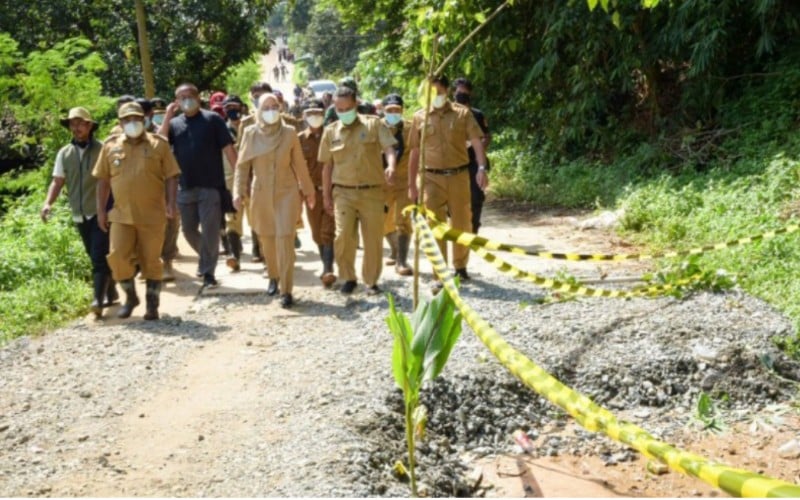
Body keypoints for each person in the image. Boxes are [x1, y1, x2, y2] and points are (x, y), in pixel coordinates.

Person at [93, 102, 181, 320]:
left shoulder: (158, 145)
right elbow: (103, 181)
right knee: (117, 257)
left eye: (136, 119)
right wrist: (101, 211)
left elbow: (171, 175)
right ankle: (130, 297)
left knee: (151, 260)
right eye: (127, 120)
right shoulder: (110, 146)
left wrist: (171, 203)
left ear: (144, 120)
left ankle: (152, 304)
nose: (132, 123)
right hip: (121, 215)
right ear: (120, 123)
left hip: (152, 215)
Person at [234, 94, 315, 308]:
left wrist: (308, 191)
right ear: (259, 111)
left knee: (285, 237)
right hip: (260, 193)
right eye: (266, 107)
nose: (271, 111)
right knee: (267, 238)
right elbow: (242, 166)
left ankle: (286, 290)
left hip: (286, 192)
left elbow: (299, 163)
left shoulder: (289, 133)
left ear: (280, 109)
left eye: (274, 106)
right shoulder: (251, 133)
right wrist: (238, 192)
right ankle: (273, 276)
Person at [408, 75, 488, 288]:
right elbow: (414, 152)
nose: (435, 96)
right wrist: (411, 185)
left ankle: (460, 267)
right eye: (430, 92)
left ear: (446, 91)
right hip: (430, 178)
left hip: (459, 176)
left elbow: (476, 142)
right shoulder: (419, 117)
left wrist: (481, 168)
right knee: (435, 224)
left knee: (463, 222)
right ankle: (439, 274)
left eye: (439, 92)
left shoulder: (462, 114)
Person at [319, 86, 397, 295]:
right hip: (343, 193)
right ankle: (348, 277)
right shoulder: (330, 131)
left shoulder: (374, 124)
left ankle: (370, 281)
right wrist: (326, 196)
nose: (343, 111)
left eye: (347, 107)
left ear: (355, 105)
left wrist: (391, 165)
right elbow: (326, 167)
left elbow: (389, 148)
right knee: (343, 236)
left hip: (371, 192)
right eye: (339, 108)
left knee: (373, 239)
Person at [158, 83, 237, 288]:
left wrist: (240, 177)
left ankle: (208, 272)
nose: (187, 100)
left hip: (211, 187)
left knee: (211, 231)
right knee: (188, 230)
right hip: (184, 187)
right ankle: (208, 257)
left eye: (190, 95)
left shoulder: (213, 119)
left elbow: (229, 149)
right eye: (181, 97)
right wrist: (168, 115)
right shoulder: (175, 124)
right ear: (176, 101)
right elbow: (159, 142)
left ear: (198, 97)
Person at [41, 107, 117, 318]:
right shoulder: (64, 153)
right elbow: (57, 181)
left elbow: (113, 179)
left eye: (80, 123)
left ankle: (98, 301)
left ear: (90, 125)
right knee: (93, 254)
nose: (76, 128)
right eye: (72, 124)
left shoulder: (103, 149)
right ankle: (111, 291)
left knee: (97, 256)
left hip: (102, 211)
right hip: (79, 213)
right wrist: (48, 203)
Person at [298, 99, 336, 287]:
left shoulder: (332, 135)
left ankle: (328, 269)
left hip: (332, 190)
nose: (314, 116)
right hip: (311, 193)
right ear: (304, 116)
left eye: (318, 113)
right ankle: (326, 265)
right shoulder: (299, 139)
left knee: (328, 230)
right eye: (310, 113)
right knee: (316, 233)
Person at [238, 82, 274, 264]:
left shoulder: (284, 122)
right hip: (255, 179)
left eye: (262, 95)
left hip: (280, 179)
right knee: (256, 216)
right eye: (255, 96)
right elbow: (242, 157)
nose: (257, 99)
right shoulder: (246, 124)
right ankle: (258, 248)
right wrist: (242, 183)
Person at [453, 77, 492, 233]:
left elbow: (487, 136)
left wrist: (478, 148)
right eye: (459, 92)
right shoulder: (447, 114)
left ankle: (473, 229)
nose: (461, 95)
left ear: (470, 94)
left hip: (473, 161)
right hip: (453, 162)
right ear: (453, 93)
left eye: (465, 93)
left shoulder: (477, 114)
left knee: (475, 197)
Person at [381, 94, 413, 276]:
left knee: (403, 220)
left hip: (404, 183)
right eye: (389, 110)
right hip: (381, 183)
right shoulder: (376, 128)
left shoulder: (411, 128)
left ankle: (402, 261)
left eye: (397, 110)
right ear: (383, 111)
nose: (393, 113)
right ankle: (394, 250)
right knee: (382, 221)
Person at [221, 94, 247, 272]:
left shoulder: (252, 127)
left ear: (242, 108)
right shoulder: (221, 130)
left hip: (253, 178)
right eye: (228, 108)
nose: (232, 111)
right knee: (232, 219)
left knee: (258, 218)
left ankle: (259, 251)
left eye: (235, 107)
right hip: (231, 180)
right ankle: (235, 256)